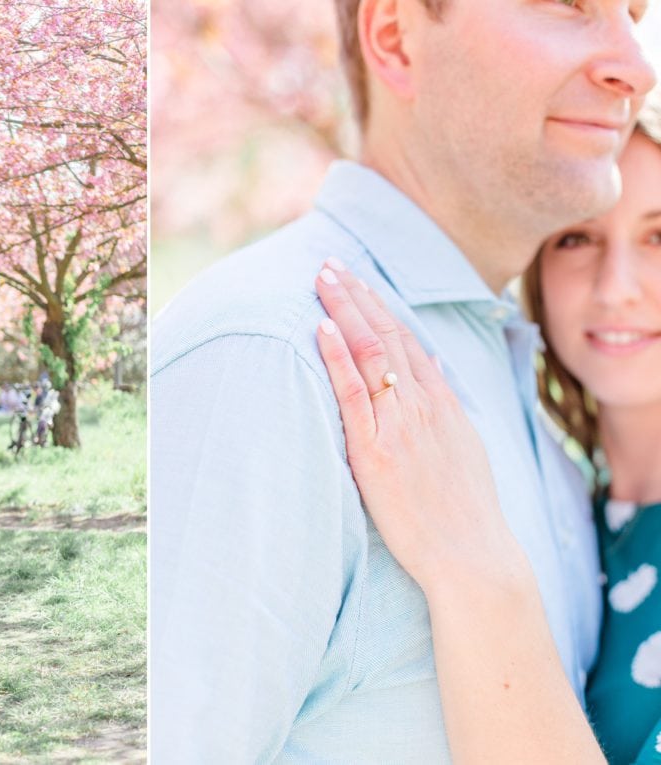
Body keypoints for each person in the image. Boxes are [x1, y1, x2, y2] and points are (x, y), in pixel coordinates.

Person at [150, 0, 656, 760]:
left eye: (632, 13)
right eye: (570, 6)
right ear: (394, 37)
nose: (634, 65)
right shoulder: (273, 357)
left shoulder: (533, 418)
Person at [313, 105, 661, 764]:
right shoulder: (567, 508)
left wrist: (466, 564)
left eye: (660, 235)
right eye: (576, 238)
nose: (616, 289)